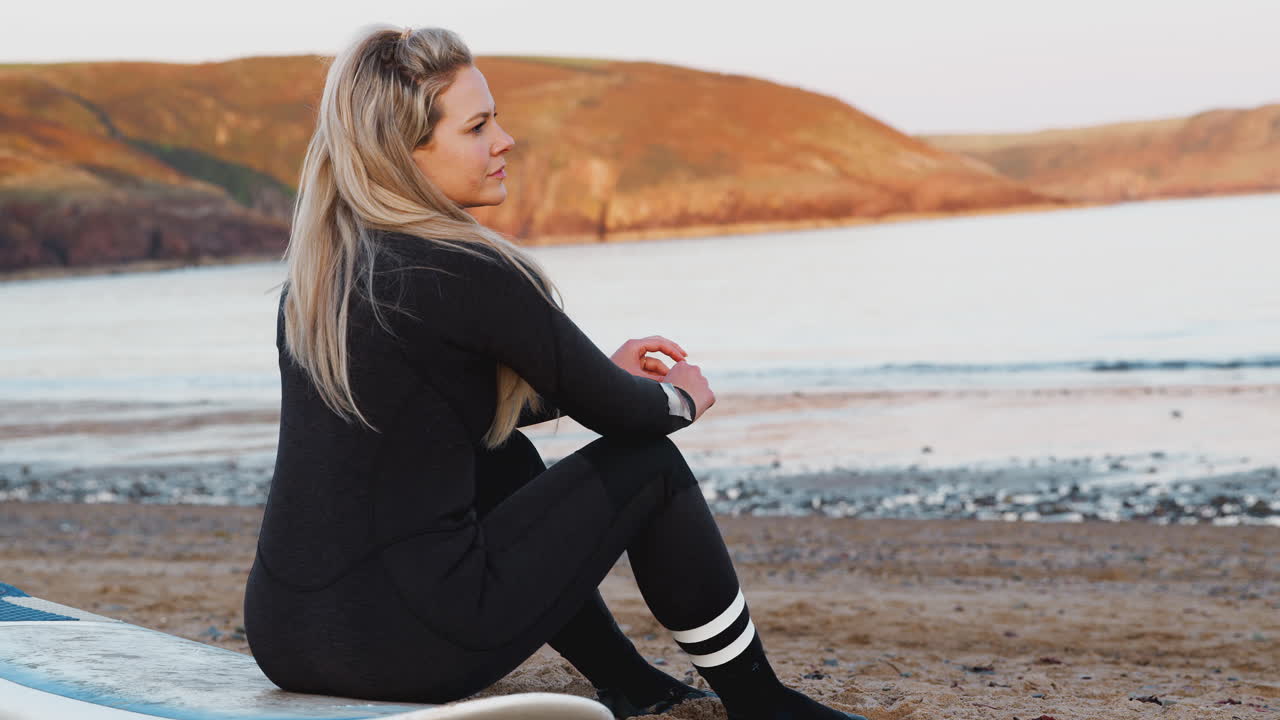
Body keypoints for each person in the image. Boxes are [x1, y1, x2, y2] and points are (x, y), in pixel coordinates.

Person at [243, 23, 867, 720]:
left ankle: (628, 681)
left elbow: (437, 412)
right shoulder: (465, 269)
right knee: (650, 467)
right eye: (477, 126)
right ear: (405, 152)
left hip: (287, 638)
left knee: (500, 456)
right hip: (404, 649)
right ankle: (759, 701)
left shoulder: (320, 278)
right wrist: (680, 398)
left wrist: (596, 372)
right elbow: (629, 418)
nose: (504, 141)